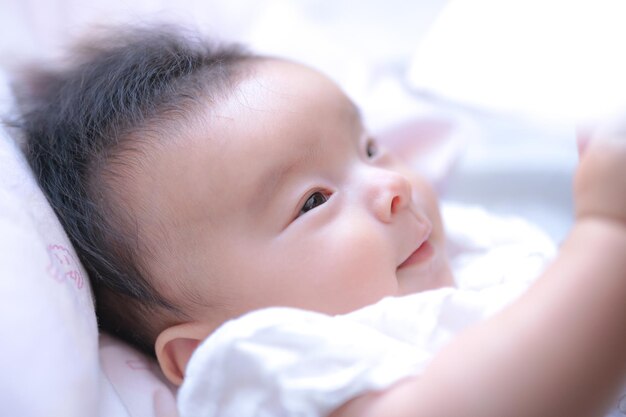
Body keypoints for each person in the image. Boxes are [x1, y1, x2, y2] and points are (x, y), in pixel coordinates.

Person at [16, 25, 626, 417]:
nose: (392, 186)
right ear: (199, 349)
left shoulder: (463, 243)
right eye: (313, 201)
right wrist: (607, 236)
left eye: (368, 149)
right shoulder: (271, 360)